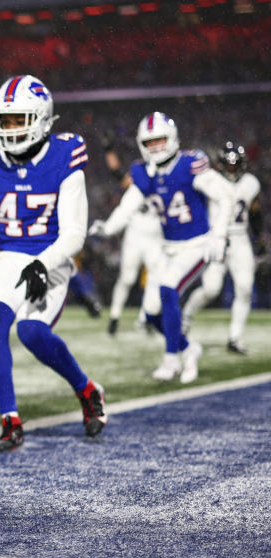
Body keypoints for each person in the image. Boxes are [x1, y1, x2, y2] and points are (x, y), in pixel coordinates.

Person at [0, 74, 108, 450]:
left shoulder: (65, 153)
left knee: (31, 333)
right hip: (10, 252)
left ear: (44, 120)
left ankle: (87, 390)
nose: (11, 128)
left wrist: (45, 263)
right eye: (6, 119)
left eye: (20, 119)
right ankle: (10, 420)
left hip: (53, 253)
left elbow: (75, 232)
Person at [92, 112, 233, 383]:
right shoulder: (143, 173)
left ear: (172, 139)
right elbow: (127, 205)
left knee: (168, 288)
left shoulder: (189, 164)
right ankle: (188, 348)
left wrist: (219, 235)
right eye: (150, 142)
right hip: (168, 246)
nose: (155, 147)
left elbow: (225, 196)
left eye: (160, 140)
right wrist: (108, 227)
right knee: (152, 313)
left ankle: (171, 360)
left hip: (197, 244)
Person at [181, 141, 262, 354]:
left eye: (235, 165)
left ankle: (234, 338)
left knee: (244, 288)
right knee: (211, 289)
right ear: (220, 164)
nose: (231, 169)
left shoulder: (251, 183)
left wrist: (259, 240)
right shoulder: (209, 180)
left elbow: (255, 211)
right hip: (216, 238)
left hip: (240, 238)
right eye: (228, 165)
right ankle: (185, 318)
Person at [92, 134, 163, 336]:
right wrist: (108, 150)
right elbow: (117, 173)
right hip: (136, 234)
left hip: (156, 236)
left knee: (154, 278)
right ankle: (115, 316)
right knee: (127, 278)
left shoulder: (168, 177)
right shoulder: (139, 176)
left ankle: (146, 317)